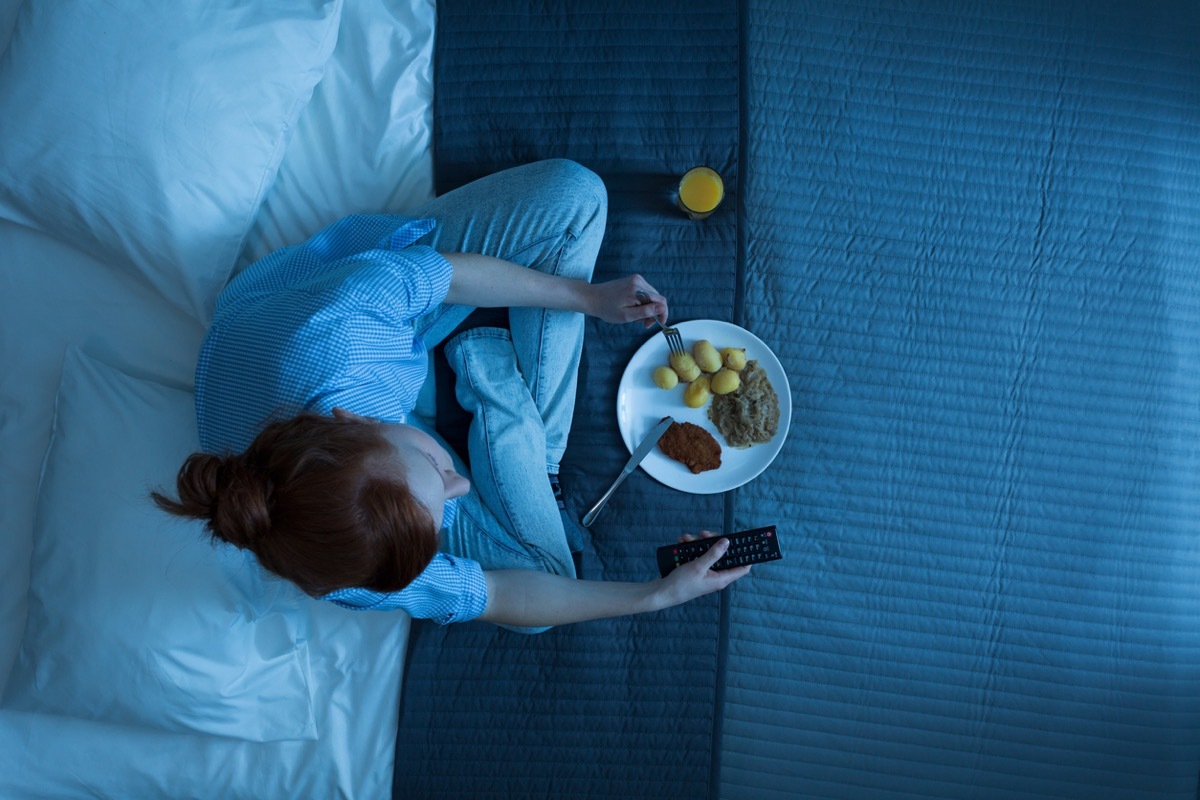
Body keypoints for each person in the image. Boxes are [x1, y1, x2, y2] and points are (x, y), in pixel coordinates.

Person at [152, 159, 750, 633]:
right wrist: (656, 596)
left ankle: (501, 398)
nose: (460, 482)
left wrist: (586, 298)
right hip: (339, 425)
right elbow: (501, 594)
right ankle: (518, 435)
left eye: (440, 467)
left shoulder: (343, 331)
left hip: (347, 314)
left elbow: (449, 274)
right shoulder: (350, 564)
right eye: (445, 490)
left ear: (355, 420)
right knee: (549, 580)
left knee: (577, 193)